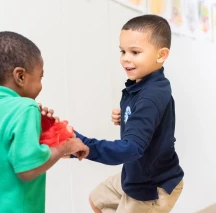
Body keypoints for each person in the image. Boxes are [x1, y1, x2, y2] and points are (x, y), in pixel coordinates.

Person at [0, 31, 89, 213]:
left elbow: (10, 155)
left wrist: (45, 132)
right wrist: (66, 146)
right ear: (21, 76)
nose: (41, 84)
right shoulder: (26, 108)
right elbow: (27, 169)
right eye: (40, 77)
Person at [75, 14, 184, 213]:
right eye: (123, 51)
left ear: (161, 55)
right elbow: (147, 122)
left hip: (153, 185)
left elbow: (131, 148)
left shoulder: (151, 95)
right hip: (134, 174)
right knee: (97, 200)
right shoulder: (141, 85)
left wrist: (83, 145)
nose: (126, 58)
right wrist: (125, 117)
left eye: (135, 52)